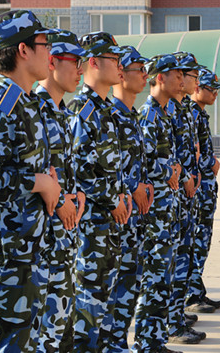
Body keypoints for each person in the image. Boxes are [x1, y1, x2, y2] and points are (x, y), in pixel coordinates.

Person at [0, 9, 62, 352]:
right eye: (43, 42)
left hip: (26, 254)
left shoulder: (26, 103)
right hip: (4, 257)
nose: (49, 50)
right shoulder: (1, 105)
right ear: (23, 50)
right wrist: (39, 182)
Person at [67, 31, 131, 352]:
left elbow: (110, 166)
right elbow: (78, 169)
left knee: (105, 294)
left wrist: (123, 194)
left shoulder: (104, 110)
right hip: (92, 223)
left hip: (109, 223)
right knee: (88, 298)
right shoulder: (84, 111)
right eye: (114, 59)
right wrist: (113, 198)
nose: (120, 66)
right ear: (93, 62)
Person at [36, 29, 87, 352]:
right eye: (75, 62)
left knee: (61, 325)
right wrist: (60, 202)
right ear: (52, 61)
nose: (81, 70)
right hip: (42, 240)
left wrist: (77, 195)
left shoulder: (63, 112)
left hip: (65, 237)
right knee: (44, 331)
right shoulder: (32, 109)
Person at [103, 45, 155, 352]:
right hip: (116, 217)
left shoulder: (131, 116)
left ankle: (119, 343)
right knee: (110, 290)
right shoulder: (110, 115)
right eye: (139, 69)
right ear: (120, 74)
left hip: (135, 218)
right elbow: (98, 166)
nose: (144, 76)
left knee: (129, 287)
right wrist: (132, 185)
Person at [134, 54, 183, 353]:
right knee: (152, 280)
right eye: (176, 75)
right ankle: (146, 342)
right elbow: (146, 164)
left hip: (168, 210)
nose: (180, 81)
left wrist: (174, 169)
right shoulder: (149, 115)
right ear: (160, 77)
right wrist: (172, 170)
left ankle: (155, 340)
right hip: (154, 214)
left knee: (163, 278)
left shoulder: (164, 114)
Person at [167, 52, 206, 344]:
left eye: (188, 75)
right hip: (167, 201)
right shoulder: (157, 113)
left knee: (183, 257)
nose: (187, 80)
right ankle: (167, 324)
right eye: (184, 75)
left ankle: (174, 317)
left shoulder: (182, 110)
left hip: (184, 196)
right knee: (161, 272)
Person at [186, 68, 220, 314]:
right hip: (199, 188)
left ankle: (196, 289)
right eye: (211, 89)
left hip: (207, 187)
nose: (214, 95)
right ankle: (191, 294)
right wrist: (209, 164)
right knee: (196, 241)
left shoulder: (200, 114)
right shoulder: (191, 114)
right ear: (198, 88)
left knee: (203, 241)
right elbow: (191, 152)